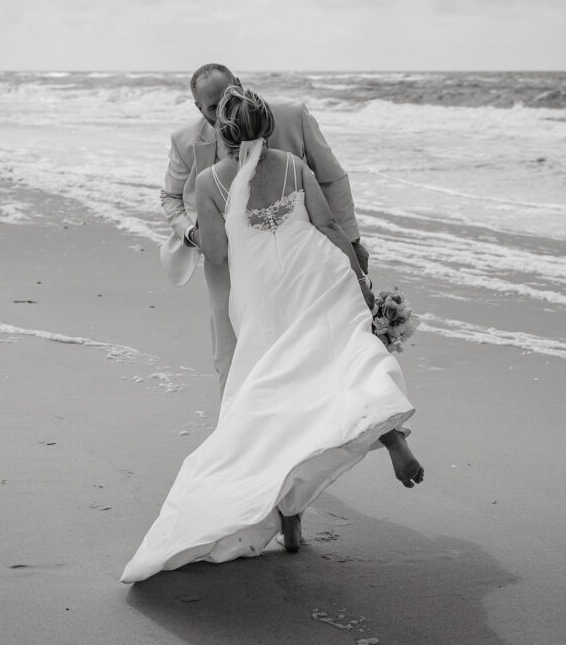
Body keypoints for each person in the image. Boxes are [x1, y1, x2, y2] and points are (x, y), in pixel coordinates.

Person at [120, 86, 423, 584]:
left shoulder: (210, 181)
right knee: (348, 364)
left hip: (264, 298)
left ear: (223, 131)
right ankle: (388, 433)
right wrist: (361, 283)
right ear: (264, 125)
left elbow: (216, 256)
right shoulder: (290, 165)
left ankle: (288, 515)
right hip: (317, 275)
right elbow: (327, 226)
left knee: (272, 398)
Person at [160, 64, 369, 397]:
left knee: (324, 346)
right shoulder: (185, 141)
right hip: (227, 264)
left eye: (229, 93)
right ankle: (240, 436)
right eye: (212, 106)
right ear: (198, 108)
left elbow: (332, 178)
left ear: (240, 85)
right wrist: (192, 233)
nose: (223, 107)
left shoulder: (292, 117)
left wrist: (352, 242)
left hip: (299, 261)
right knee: (232, 357)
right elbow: (171, 196)